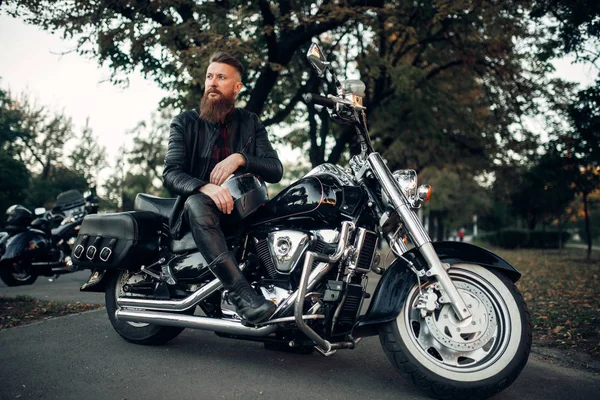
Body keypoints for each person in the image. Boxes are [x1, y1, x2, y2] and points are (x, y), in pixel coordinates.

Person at [163, 52, 283, 324]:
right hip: (196, 211)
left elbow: (275, 169)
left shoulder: (250, 122)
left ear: (237, 87)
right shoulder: (184, 122)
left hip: (243, 207)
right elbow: (171, 173)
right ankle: (242, 296)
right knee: (197, 202)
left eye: (221, 77)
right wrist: (204, 187)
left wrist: (241, 158)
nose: (212, 83)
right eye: (209, 76)